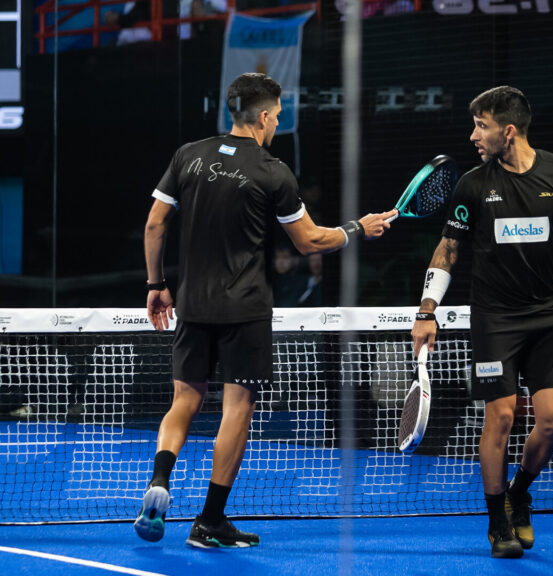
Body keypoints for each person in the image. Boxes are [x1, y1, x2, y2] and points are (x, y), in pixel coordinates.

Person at [138, 72, 396, 548]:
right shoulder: (272, 170)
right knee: (237, 408)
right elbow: (310, 241)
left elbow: (155, 225)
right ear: (262, 117)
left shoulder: (188, 155)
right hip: (245, 310)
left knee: (185, 402)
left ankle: (159, 480)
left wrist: (157, 284)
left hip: (192, 305)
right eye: (276, 116)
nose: (277, 123)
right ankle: (210, 521)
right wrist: (359, 228)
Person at [410, 86, 553, 559]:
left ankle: (519, 493)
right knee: (501, 416)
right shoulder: (473, 184)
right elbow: (449, 249)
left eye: (482, 125)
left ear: (508, 130)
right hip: (496, 319)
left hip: (549, 314)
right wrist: (427, 309)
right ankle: (498, 521)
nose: (474, 134)